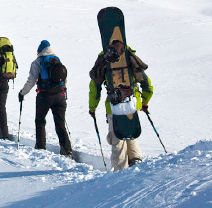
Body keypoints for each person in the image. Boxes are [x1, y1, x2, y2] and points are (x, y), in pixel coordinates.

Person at [88, 40, 153, 171]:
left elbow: (95, 87)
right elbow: (146, 84)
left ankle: (120, 171)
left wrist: (92, 107)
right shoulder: (129, 56)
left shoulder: (104, 58)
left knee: (117, 138)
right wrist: (144, 102)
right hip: (132, 103)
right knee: (131, 132)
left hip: (113, 105)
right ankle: (136, 163)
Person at [17, 40, 73, 157]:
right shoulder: (57, 60)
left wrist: (22, 93)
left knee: (40, 121)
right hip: (60, 96)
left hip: (45, 96)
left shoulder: (38, 62)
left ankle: (41, 147)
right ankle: (67, 150)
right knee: (60, 123)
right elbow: (64, 79)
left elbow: (31, 81)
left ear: (40, 50)